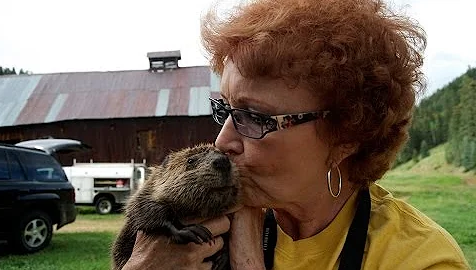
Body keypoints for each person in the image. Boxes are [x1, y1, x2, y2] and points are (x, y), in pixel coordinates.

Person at [122, 0, 470, 269]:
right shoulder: (193, 228)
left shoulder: (418, 259)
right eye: (225, 109)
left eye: (254, 117)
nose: (222, 142)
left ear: (345, 138)